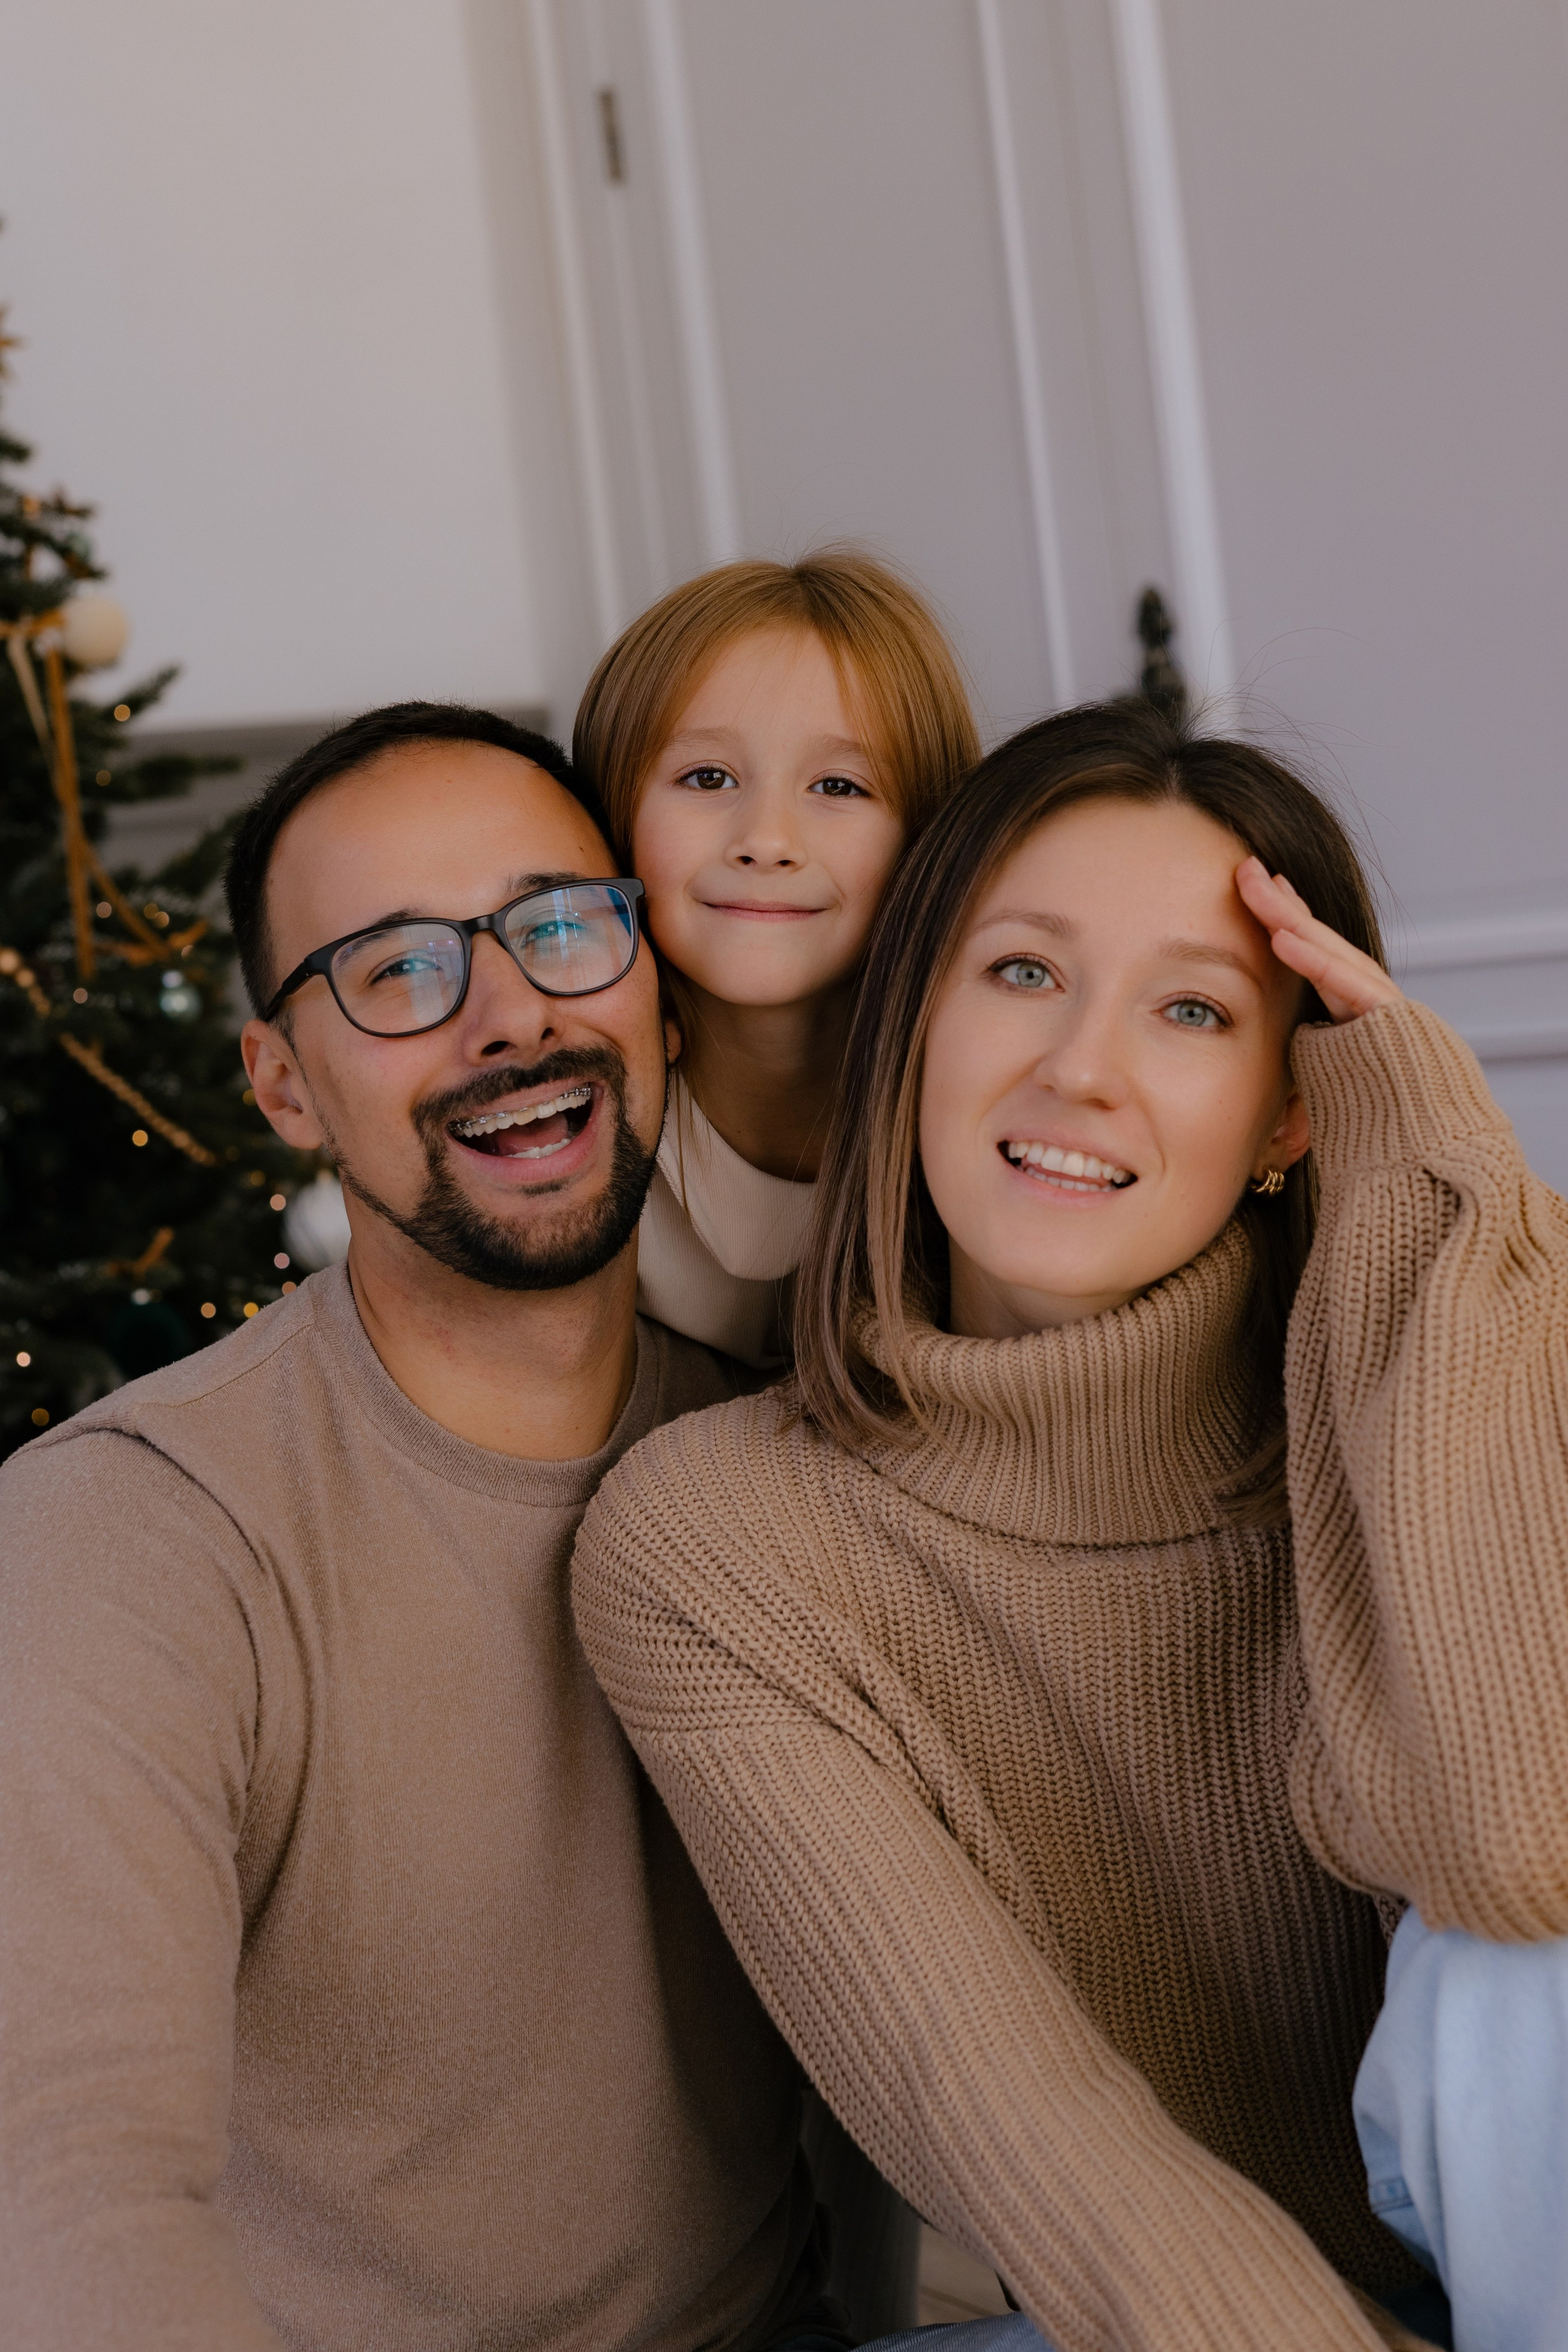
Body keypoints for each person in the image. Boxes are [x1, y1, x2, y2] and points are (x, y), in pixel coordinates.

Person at [573, 696, 1568, 2352]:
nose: (1079, 1069)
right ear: (912, 1026)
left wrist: (1436, 1186)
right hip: (1166, 2317)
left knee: (1520, 1973)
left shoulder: (1465, 1347)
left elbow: (1521, 1860)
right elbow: (1029, 2134)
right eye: (1022, 973)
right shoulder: (715, 1549)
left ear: (1291, 1112)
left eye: (1191, 1010)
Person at [0, 702, 842, 2351]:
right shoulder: (128, 1535)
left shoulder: (791, 1448)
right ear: (283, 1085)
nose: (514, 1015)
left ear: (656, 990)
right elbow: (69, 2184)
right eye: (396, 971)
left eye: (561, 928)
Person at [574, 550, 979, 1368]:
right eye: (708, 775)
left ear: (925, 839)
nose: (766, 841)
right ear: (614, 812)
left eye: (840, 788)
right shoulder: (572, 1105)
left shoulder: (979, 1093)